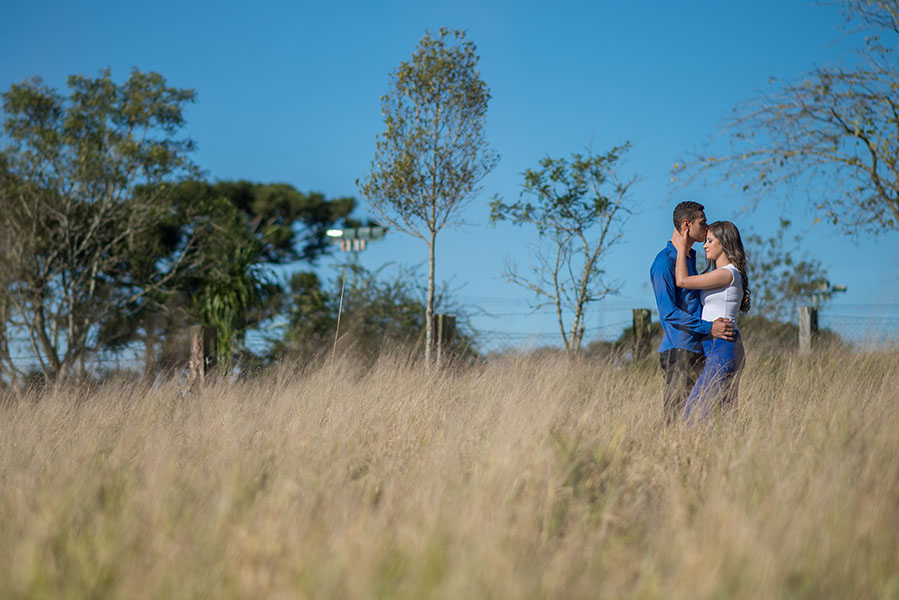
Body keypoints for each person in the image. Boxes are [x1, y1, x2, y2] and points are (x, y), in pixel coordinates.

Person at [651, 201, 734, 422]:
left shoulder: (689, 258)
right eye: (702, 223)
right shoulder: (663, 263)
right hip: (679, 350)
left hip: (700, 349)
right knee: (675, 420)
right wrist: (709, 327)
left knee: (703, 419)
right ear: (686, 225)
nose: (707, 229)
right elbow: (668, 313)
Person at [673, 220, 751, 420]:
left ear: (724, 243)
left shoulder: (728, 274)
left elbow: (682, 281)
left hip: (723, 346)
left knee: (693, 412)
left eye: (709, 241)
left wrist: (682, 248)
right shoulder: (718, 274)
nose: (705, 245)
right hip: (717, 345)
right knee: (722, 413)